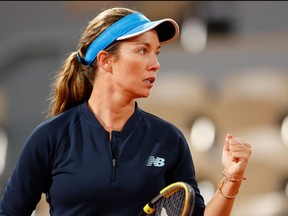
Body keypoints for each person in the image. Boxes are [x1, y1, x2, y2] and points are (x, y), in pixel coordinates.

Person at [0, 7, 252, 216]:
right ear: (105, 60)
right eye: (142, 51)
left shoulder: (168, 139)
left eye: (156, 52)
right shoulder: (49, 138)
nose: (155, 64)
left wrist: (231, 178)